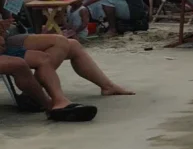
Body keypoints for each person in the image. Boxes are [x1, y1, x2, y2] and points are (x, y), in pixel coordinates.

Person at [2, 18, 132, 115]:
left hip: (7, 37)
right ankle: (41, 96)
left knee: (72, 44)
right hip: (5, 42)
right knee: (53, 49)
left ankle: (107, 87)